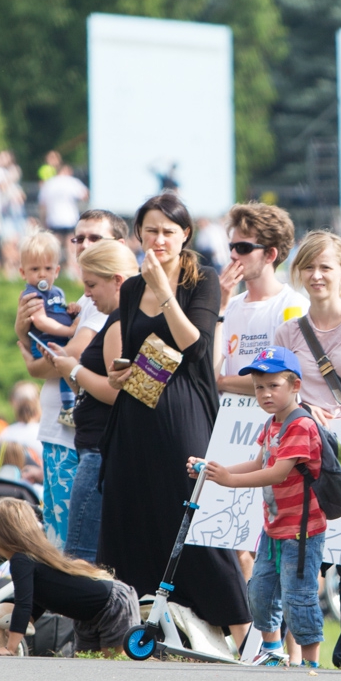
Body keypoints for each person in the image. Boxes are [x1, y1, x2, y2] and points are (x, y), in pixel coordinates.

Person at [97, 192, 251, 647]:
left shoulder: (201, 278)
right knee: (131, 514)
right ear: (138, 234)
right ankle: (135, 622)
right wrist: (120, 370)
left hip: (184, 409)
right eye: (151, 230)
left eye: (168, 231)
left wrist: (165, 293)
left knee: (192, 517)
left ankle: (243, 634)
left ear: (185, 234)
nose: (158, 239)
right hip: (135, 410)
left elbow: (197, 347)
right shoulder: (128, 288)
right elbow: (134, 350)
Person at [270, 230, 341, 669]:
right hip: (305, 455)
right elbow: (277, 390)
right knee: (299, 559)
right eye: (309, 267)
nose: (316, 276)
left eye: (325, 267)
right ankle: (290, 653)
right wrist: (303, 411)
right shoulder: (288, 331)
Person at [190, 347, 327, 667]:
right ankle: (273, 651)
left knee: (299, 597)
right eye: (258, 387)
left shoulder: (300, 425)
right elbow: (259, 462)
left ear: (295, 385)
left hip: (302, 532)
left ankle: (310, 663)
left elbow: (279, 472)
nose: (264, 393)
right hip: (275, 528)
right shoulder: (272, 424)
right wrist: (212, 469)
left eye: (272, 385)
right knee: (260, 592)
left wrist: (228, 481)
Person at [17, 210, 126, 546]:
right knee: (56, 534)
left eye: (95, 238)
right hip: (59, 430)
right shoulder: (81, 297)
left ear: (118, 247)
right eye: (79, 238)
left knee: (69, 542)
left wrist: (26, 342)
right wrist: (23, 334)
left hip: (74, 436)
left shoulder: (100, 301)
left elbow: (62, 358)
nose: (83, 244)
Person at [40, 239, 139, 562]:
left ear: (117, 281)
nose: (87, 294)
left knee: (80, 555)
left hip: (99, 450)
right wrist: (68, 369)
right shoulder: (121, 320)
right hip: (98, 446)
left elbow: (116, 392)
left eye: (92, 284)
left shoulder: (120, 324)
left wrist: (76, 369)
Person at [0, 499, 138, 656]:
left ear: (0, 533)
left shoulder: (20, 560)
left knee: (112, 660)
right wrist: (8, 633)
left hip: (110, 605)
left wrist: (10, 648)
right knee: (88, 663)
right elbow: (37, 602)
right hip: (89, 613)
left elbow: (23, 604)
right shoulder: (29, 558)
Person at [215, 203, 307, 395]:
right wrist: (219, 308)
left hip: (276, 422)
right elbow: (209, 374)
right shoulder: (228, 307)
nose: (233, 255)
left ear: (270, 254)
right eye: (232, 247)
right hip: (231, 421)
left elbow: (284, 377)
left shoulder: (293, 305)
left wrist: (222, 382)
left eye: (243, 248)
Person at [18, 233, 76, 428]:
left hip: (58, 338)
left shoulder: (57, 292)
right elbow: (41, 321)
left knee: (69, 367)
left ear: (57, 270)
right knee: (65, 368)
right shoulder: (32, 294)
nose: (42, 274)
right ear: (23, 273)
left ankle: (71, 405)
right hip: (45, 343)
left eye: (48, 268)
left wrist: (71, 309)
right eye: (35, 269)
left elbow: (58, 310)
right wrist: (69, 330)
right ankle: (68, 408)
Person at [38, 164, 88, 250]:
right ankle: (70, 262)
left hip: (54, 218)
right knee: (70, 242)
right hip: (69, 218)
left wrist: (43, 221)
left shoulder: (49, 183)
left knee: (55, 243)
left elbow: (42, 204)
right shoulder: (71, 181)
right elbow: (85, 195)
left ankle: (55, 261)